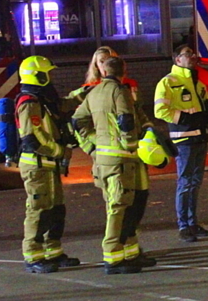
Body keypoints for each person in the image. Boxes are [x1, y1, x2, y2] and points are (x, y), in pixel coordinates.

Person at [73, 57, 154, 273]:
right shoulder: (120, 91)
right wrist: (132, 144)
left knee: (121, 205)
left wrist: (92, 144)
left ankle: (127, 253)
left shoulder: (94, 92)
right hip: (122, 159)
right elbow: (125, 119)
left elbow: (77, 120)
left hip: (104, 159)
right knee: (119, 207)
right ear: (123, 70)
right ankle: (113, 259)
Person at [15, 56, 80, 273]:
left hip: (48, 165)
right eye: (48, 74)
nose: (51, 78)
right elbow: (33, 138)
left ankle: (53, 251)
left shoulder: (42, 99)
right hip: (36, 166)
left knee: (55, 209)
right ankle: (33, 256)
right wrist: (60, 151)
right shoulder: (29, 103)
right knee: (38, 211)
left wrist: (83, 93)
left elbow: (61, 107)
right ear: (38, 76)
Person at [154, 45, 208, 243]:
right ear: (177, 59)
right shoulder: (168, 82)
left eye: (192, 53)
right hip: (184, 140)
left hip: (200, 138)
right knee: (185, 182)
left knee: (195, 183)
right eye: (187, 54)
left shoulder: (198, 83)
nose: (192, 57)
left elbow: (205, 104)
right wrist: (186, 119)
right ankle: (184, 226)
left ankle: (192, 223)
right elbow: (160, 111)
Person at [70, 46, 140, 103]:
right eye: (102, 61)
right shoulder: (89, 88)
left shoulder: (129, 84)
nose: (105, 65)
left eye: (109, 60)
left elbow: (137, 108)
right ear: (96, 65)